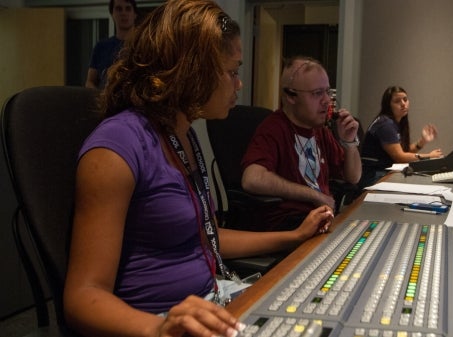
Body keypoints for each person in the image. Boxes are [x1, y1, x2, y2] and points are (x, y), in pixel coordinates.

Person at [63, 2, 334, 336]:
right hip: (161, 321)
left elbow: (205, 235)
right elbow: (82, 297)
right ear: (191, 69)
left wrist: (293, 237)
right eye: (232, 72)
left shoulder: (184, 134)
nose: (239, 85)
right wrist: (160, 328)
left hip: (210, 301)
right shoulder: (115, 148)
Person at [240, 56, 362, 232]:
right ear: (291, 96)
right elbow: (252, 179)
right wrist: (314, 195)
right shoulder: (273, 128)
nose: (327, 100)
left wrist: (349, 142)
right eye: (317, 93)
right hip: (290, 226)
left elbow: (353, 177)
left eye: (328, 92)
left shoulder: (319, 130)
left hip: (321, 221)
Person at [359, 85, 443, 187]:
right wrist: (430, 157)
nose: (403, 104)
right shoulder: (385, 124)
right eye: (397, 101)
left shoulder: (393, 123)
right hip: (372, 176)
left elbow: (403, 152)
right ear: (388, 105)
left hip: (381, 172)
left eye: (405, 99)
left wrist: (422, 142)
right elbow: (400, 157)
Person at [84, 0, 138, 89]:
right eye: (119, 9)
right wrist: (99, 96)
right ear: (112, 14)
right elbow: (90, 81)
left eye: (128, 9)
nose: (123, 13)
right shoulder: (101, 47)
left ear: (135, 14)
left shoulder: (143, 45)